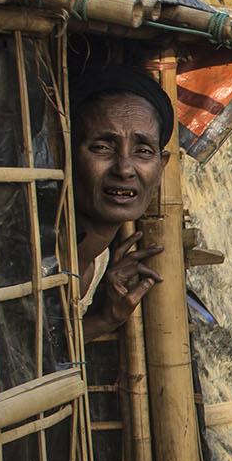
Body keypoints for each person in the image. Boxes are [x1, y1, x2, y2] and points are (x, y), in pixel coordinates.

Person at [71, 64, 172, 341]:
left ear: (161, 165)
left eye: (143, 151)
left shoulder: (100, 259)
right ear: (64, 152)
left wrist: (107, 319)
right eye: (102, 147)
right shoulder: (39, 254)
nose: (125, 168)